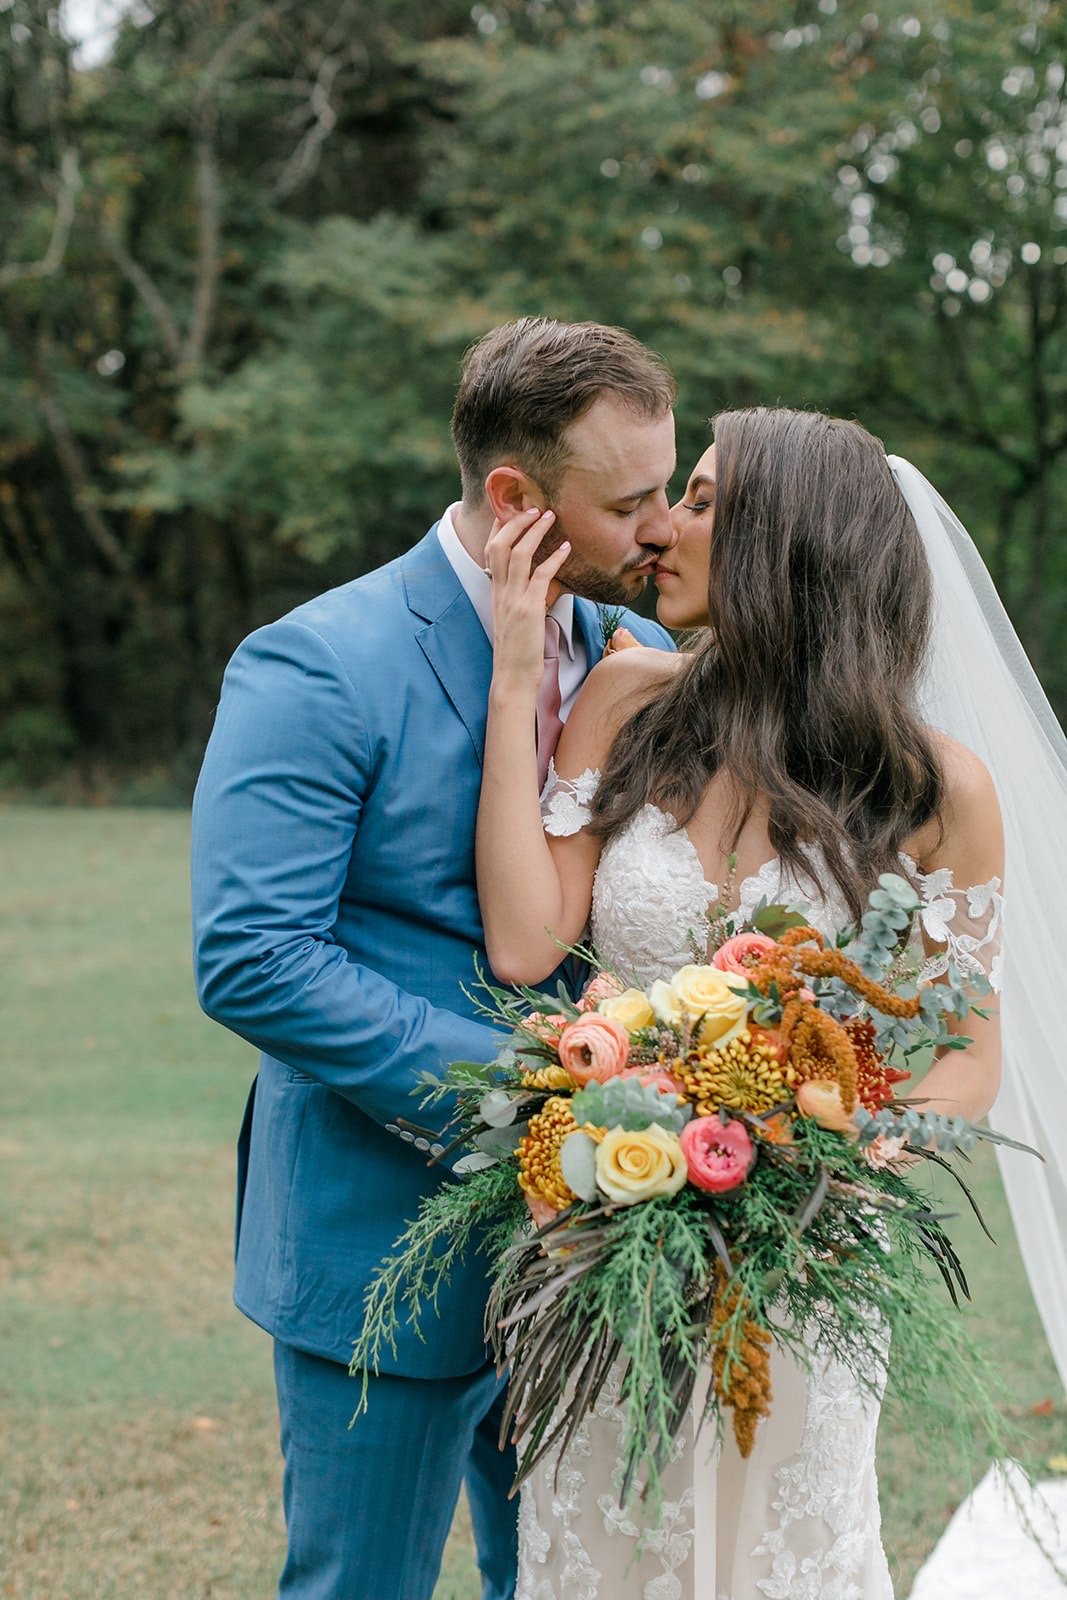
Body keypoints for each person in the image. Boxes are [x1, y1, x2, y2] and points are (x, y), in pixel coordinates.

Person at [475, 407, 1009, 1597]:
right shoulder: (622, 697)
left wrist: (827, 1168)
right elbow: (526, 939)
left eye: (704, 502)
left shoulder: (933, 787)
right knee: (605, 1543)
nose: (660, 529)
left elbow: (964, 1055)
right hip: (603, 1235)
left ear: (787, 543)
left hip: (806, 1253)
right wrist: (520, 674)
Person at [190, 316, 680, 1600]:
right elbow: (253, 957)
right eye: (626, 502)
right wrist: (531, 1097)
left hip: (606, 1247)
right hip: (380, 1250)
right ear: (516, 496)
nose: (659, 530)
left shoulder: (646, 660)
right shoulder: (317, 665)